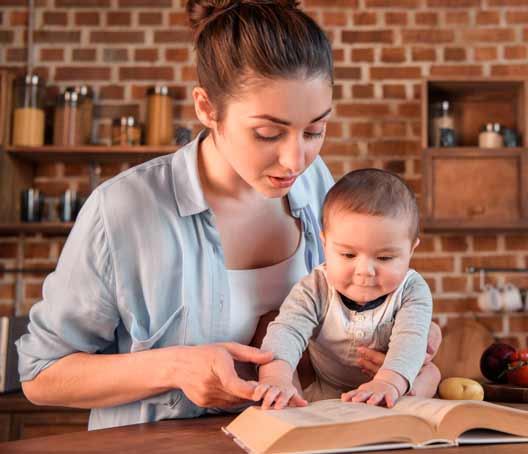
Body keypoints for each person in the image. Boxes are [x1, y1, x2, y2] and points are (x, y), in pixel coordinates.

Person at [14, 0, 440, 431]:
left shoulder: (317, 188)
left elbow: (331, 317)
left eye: (315, 130)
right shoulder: (124, 209)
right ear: (207, 108)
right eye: (268, 133)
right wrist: (175, 369)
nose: (296, 159)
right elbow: (41, 375)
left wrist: (393, 344)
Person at [253, 169, 441, 410]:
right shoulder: (315, 287)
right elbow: (288, 330)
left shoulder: (412, 290)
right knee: (277, 341)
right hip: (323, 385)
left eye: (384, 258)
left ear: (411, 251)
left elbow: (410, 340)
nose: (364, 271)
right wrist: (275, 378)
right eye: (348, 255)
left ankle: (404, 401)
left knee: (430, 373)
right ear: (325, 243)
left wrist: (387, 383)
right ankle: (290, 405)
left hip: (390, 384)